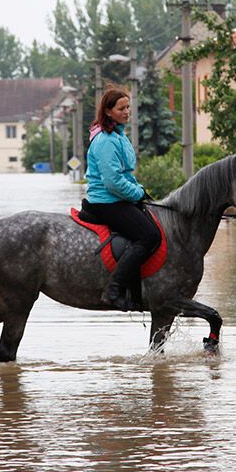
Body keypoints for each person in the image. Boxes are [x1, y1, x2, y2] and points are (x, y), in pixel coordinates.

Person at [84, 86, 161, 311]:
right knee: (149, 236)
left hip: (116, 198)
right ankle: (114, 290)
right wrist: (137, 193)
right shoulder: (106, 140)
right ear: (108, 112)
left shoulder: (118, 134)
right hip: (106, 202)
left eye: (128, 107)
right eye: (121, 108)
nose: (127, 111)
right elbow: (113, 182)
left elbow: (125, 174)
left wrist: (139, 188)